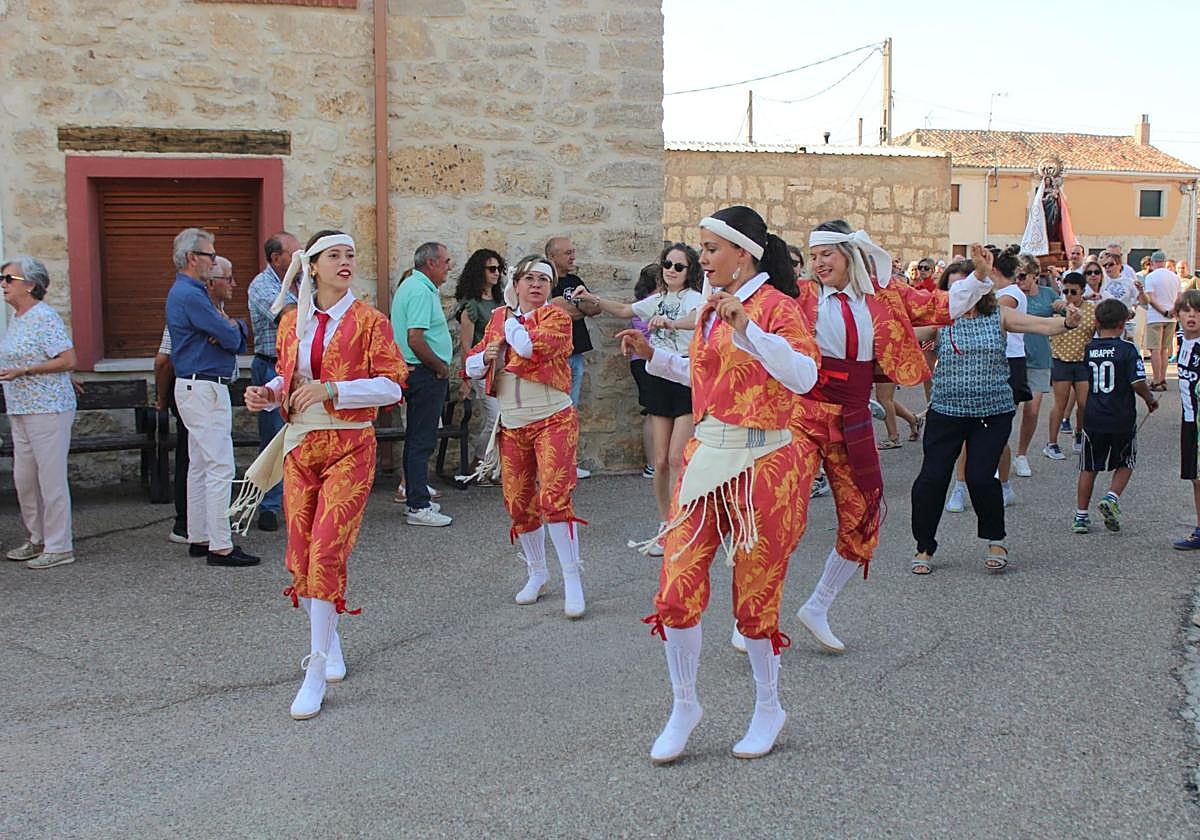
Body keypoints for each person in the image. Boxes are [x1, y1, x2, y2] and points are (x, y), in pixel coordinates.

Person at [621, 205, 818, 763]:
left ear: (743, 252)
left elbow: (803, 376)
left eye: (710, 248)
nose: (702, 257)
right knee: (676, 587)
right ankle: (685, 704)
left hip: (765, 464)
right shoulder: (711, 309)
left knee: (754, 598)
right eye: (701, 248)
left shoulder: (778, 308)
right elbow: (706, 379)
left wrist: (748, 327)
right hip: (708, 458)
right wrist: (654, 356)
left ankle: (768, 706)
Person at [241, 230, 407, 720]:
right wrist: (269, 395)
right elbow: (290, 377)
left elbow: (393, 385)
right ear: (311, 266)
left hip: (350, 446)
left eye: (350, 254)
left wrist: (334, 389)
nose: (346, 262)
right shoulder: (294, 321)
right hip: (300, 448)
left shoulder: (370, 321)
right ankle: (328, 642)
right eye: (334, 255)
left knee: (327, 548)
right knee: (300, 555)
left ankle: (315, 669)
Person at [787, 221, 956, 652]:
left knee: (863, 513)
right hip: (803, 414)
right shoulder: (801, 296)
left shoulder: (883, 298)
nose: (820, 263)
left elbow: (938, 306)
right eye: (815, 255)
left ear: (849, 255)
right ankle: (756, 609)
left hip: (854, 415)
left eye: (828, 254)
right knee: (781, 510)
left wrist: (980, 279)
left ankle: (819, 605)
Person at [911, 244, 1081, 575]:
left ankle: (995, 537)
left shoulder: (997, 316)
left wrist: (1068, 323)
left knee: (979, 476)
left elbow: (1040, 325)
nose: (963, 293)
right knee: (931, 479)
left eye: (969, 285)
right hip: (947, 411)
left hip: (991, 411)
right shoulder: (940, 322)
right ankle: (924, 545)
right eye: (956, 288)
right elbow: (900, 337)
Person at [464, 256, 587, 617]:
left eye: (544, 280)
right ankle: (537, 572)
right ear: (516, 283)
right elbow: (472, 364)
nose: (536, 285)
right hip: (513, 422)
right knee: (518, 501)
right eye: (529, 278)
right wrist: (487, 355)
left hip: (552, 418)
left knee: (554, 497)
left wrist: (507, 327)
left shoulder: (557, 317)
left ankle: (572, 578)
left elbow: (533, 348)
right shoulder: (502, 319)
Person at [575, 243, 704, 552]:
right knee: (660, 461)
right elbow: (623, 310)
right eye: (667, 265)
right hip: (659, 376)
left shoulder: (697, 298)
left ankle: (680, 523)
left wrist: (671, 322)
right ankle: (665, 522)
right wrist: (593, 299)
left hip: (684, 376)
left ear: (690, 271)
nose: (671, 271)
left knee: (676, 457)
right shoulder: (655, 299)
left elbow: (698, 319)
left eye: (678, 266)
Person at [165, 228, 259, 567]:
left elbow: (232, 333)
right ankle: (220, 544)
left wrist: (233, 329)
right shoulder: (191, 295)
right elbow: (230, 337)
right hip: (203, 386)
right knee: (220, 464)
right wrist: (232, 330)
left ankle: (200, 535)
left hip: (196, 385)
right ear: (193, 258)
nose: (213, 260)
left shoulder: (189, 293)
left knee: (202, 464)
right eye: (210, 255)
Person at [0, 256, 77, 569]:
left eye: (9, 279)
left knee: (51, 478)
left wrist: (26, 371)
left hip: (48, 408)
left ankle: (60, 545)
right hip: (20, 408)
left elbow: (68, 358)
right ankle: (37, 537)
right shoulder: (17, 318)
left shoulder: (44, 317)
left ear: (31, 285)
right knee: (25, 478)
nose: (3, 284)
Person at [1073, 300, 1157, 534]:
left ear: (1097, 322)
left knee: (1088, 466)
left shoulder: (1089, 349)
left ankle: (1081, 515)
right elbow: (1137, 381)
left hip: (1094, 415)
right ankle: (1111, 497)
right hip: (1121, 415)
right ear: (1123, 324)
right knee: (1125, 460)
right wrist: (1150, 399)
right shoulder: (1127, 349)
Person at [391, 242, 455, 526]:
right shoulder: (419, 290)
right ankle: (418, 505)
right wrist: (440, 367)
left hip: (419, 372)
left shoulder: (415, 286)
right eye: (446, 261)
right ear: (431, 263)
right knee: (421, 439)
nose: (448, 267)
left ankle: (415, 493)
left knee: (417, 437)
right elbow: (415, 338)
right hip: (424, 373)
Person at [246, 231, 301, 532]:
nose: (300, 260)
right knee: (274, 439)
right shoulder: (262, 285)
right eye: (293, 255)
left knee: (301, 437)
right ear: (275, 258)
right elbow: (293, 316)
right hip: (271, 368)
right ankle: (269, 506)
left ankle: (297, 502)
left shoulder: (304, 283)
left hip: (302, 371)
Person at [546, 236, 599, 478]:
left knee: (571, 410)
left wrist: (573, 307)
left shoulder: (575, 280)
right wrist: (577, 306)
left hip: (575, 353)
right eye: (567, 252)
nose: (572, 256)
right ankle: (550, 465)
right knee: (553, 412)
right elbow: (553, 310)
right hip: (555, 357)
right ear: (552, 257)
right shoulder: (546, 282)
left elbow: (594, 307)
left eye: (572, 251)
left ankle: (567, 464)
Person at [451, 248, 506, 479]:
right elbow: (466, 345)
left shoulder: (502, 301)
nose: (497, 274)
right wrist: (466, 378)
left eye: (499, 269)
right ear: (479, 271)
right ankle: (479, 459)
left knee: (503, 418)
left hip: (503, 367)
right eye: (492, 269)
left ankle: (490, 464)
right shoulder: (471, 306)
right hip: (482, 369)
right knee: (494, 417)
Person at [1013, 254, 1059, 478]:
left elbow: (1063, 311)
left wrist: (1061, 305)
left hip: (1039, 359)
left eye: (1022, 276)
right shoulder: (1011, 297)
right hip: (1014, 358)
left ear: (1034, 276)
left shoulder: (1047, 294)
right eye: (1016, 277)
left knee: (1032, 409)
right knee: (1007, 411)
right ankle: (998, 454)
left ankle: (1021, 454)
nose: (1019, 281)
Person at [1043, 273, 1096, 460]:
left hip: (1082, 361)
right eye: (1065, 291)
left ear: (1082, 291)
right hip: (1061, 360)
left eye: (1073, 291)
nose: (1069, 295)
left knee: (1084, 403)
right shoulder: (1059, 307)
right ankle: (1052, 442)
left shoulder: (1091, 310)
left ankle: (1080, 433)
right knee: (1060, 403)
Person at [1171, 290, 1200, 549]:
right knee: (1195, 477)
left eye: (1198, 311)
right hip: (1189, 418)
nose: (1192, 316)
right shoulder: (1182, 341)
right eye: (1187, 310)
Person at [1143, 251, 1180, 391]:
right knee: (1165, 350)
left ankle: (1156, 380)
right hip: (1171, 318)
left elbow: (1151, 299)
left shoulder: (1151, 277)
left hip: (1155, 317)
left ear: (1152, 263)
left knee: (1155, 350)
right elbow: (1179, 297)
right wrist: (1172, 311)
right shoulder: (1174, 277)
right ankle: (1163, 378)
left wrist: (1163, 311)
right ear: (1164, 262)